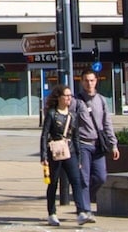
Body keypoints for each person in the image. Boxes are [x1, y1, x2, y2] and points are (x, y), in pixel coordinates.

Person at [72, 71, 120, 220]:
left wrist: (113, 144)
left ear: (96, 81)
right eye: (86, 80)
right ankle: (86, 210)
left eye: (92, 80)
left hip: (98, 145)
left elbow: (107, 123)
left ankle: (82, 199)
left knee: (100, 177)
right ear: (81, 82)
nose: (89, 83)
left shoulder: (101, 100)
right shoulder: (76, 101)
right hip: (82, 145)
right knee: (84, 178)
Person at [40, 84, 92, 226]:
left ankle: (81, 212)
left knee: (76, 181)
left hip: (70, 151)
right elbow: (44, 135)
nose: (69, 98)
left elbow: (76, 138)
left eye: (71, 96)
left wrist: (79, 157)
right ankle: (52, 213)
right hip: (55, 152)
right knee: (53, 183)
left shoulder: (72, 115)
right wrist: (43, 156)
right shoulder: (52, 114)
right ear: (59, 98)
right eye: (67, 95)